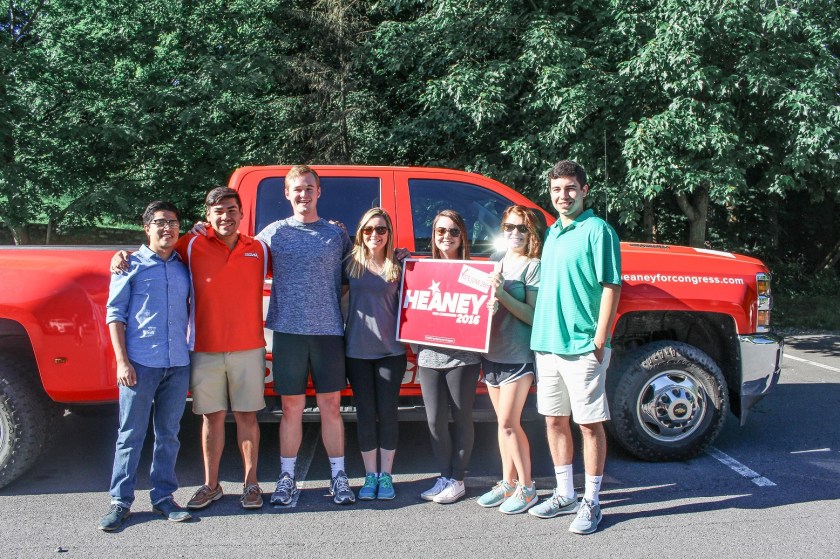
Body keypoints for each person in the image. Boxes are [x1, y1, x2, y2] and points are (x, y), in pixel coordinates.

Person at [111, 188, 270, 510]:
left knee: (246, 416)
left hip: (248, 347)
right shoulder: (192, 244)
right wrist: (120, 256)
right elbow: (155, 251)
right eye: (218, 212)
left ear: (241, 214)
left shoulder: (260, 249)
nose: (225, 217)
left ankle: (251, 484)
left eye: (231, 210)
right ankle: (211, 485)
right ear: (207, 216)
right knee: (211, 419)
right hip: (203, 348)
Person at [528, 160, 621, 535]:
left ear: (584, 190)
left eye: (569, 189)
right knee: (554, 420)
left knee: (589, 424)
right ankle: (565, 493)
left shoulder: (599, 231)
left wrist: (599, 340)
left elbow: (612, 286)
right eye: (556, 190)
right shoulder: (552, 232)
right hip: (547, 344)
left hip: (583, 345)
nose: (562, 196)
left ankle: (592, 500)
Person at [256, 165, 356, 506]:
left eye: (309, 188)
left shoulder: (336, 235)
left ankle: (339, 476)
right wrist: (201, 232)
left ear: (319, 192)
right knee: (291, 408)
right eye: (297, 189)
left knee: (331, 405)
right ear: (287, 193)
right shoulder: (273, 233)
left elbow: (358, 272)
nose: (303, 194)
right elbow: (238, 255)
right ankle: (287, 477)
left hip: (328, 331)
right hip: (288, 331)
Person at [99, 201, 192, 531]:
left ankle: (163, 498)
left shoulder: (184, 266)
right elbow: (115, 315)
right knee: (130, 435)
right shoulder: (130, 265)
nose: (167, 228)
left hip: (178, 363)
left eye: (173, 222)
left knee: (169, 435)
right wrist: (122, 362)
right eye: (160, 222)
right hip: (140, 364)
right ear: (147, 228)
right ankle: (120, 502)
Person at [477, 206, 542, 515]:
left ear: (531, 235)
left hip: (518, 355)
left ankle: (528, 489)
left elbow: (532, 315)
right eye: (509, 227)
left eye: (522, 228)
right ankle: (507, 483)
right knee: (501, 426)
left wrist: (501, 295)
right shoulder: (495, 263)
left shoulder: (533, 267)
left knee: (508, 423)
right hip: (491, 354)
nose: (514, 233)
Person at [418, 209, 482, 505]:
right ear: (433, 235)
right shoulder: (419, 270)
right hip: (428, 357)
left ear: (462, 236)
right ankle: (444, 476)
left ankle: (458, 479)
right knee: (434, 421)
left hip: (463, 359)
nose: (446, 237)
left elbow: (483, 311)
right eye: (441, 231)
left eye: (453, 231)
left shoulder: (476, 273)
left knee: (461, 417)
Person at [344, 208, 406, 500]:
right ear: (360, 233)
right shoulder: (350, 263)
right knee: (365, 414)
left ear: (389, 233)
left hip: (391, 352)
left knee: (388, 413)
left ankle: (387, 476)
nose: (374, 235)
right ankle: (370, 475)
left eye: (381, 229)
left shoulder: (400, 265)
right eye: (368, 230)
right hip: (357, 351)